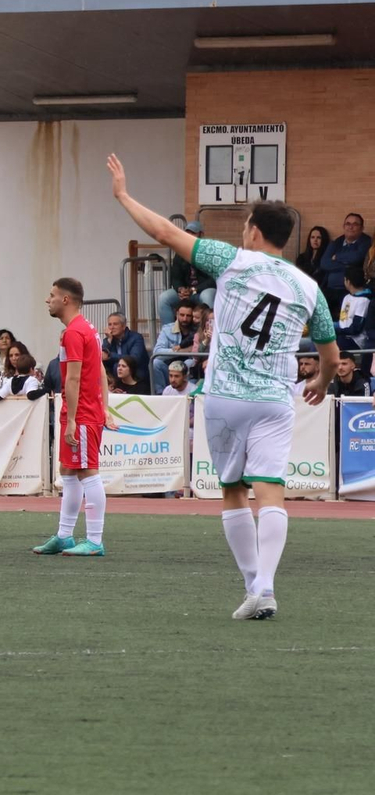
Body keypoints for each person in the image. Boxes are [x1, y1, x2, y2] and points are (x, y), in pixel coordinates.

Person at [107, 153, 336, 621]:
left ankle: (254, 586)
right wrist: (320, 379)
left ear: (252, 230)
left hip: (227, 397)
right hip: (275, 398)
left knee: (232, 489)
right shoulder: (308, 286)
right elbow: (331, 356)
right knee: (271, 489)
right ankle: (266, 587)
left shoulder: (232, 259)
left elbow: (166, 233)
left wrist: (124, 195)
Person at [33, 277, 112, 558]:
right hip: (85, 411)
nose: (48, 299)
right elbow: (100, 371)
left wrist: (71, 420)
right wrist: (105, 407)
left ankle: (94, 540)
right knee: (68, 472)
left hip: (81, 414)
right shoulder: (86, 329)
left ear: (65, 300)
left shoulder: (74, 333)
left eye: (52, 295)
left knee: (87, 473)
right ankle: (65, 535)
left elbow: (74, 378)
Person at [156, 220, 217, 324]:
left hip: (202, 291)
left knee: (207, 296)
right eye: (187, 233)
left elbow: (214, 279)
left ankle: (209, 331)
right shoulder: (180, 252)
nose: (189, 235)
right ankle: (169, 334)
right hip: (186, 293)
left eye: (193, 233)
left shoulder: (210, 252)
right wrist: (180, 289)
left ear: (201, 234)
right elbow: (175, 277)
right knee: (164, 298)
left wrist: (194, 290)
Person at [319, 213, 370, 315]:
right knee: (320, 313)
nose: (351, 227)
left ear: (362, 228)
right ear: (343, 226)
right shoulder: (337, 242)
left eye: (355, 224)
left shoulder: (366, 241)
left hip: (349, 291)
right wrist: (346, 265)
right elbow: (324, 263)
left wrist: (336, 257)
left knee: (343, 320)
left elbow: (357, 258)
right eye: (348, 224)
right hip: (329, 288)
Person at [150, 303, 201, 392]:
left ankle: (186, 396)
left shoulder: (198, 331)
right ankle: (160, 395)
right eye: (182, 315)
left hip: (188, 372)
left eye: (188, 316)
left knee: (189, 362)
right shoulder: (167, 329)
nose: (185, 319)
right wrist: (182, 351)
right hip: (169, 370)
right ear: (176, 314)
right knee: (155, 362)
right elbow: (157, 352)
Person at [337, 265, 374, 369]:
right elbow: (343, 320)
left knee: (331, 343)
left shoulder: (364, 300)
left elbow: (356, 328)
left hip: (355, 341)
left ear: (348, 281)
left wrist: (336, 330)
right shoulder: (347, 297)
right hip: (343, 336)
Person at [99, 312, 148, 381]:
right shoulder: (108, 340)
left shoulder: (136, 337)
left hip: (136, 373)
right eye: (110, 324)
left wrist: (110, 356)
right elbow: (103, 357)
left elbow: (134, 359)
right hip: (115, 376)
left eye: (115, 324)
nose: (112, 327)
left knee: (117, 366)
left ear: (123, 326)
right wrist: (109, 340)